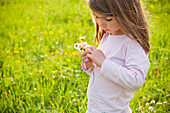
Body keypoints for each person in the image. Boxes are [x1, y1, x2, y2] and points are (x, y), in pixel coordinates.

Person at [80, 0, 150, 113]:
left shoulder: (132, 43)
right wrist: (91, 64)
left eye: (108, 19)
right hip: (95, 108)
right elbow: (104, 73)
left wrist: (103, 62)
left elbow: (136, 80)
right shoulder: (109, 35)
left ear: (127, 13)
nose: (101, 24)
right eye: (97, 17)